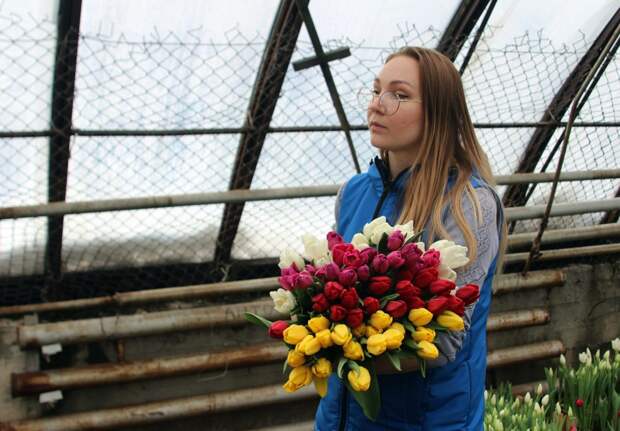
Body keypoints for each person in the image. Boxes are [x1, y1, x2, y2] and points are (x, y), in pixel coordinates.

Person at [314, 46, 507, 430]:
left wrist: (332, 348)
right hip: (340, 418)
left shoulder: (467, 205)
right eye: (375, 91)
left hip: (425, 420)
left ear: (438, 112)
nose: (377, 106)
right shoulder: (352, 192)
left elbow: (446, 342)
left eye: (399, 95)